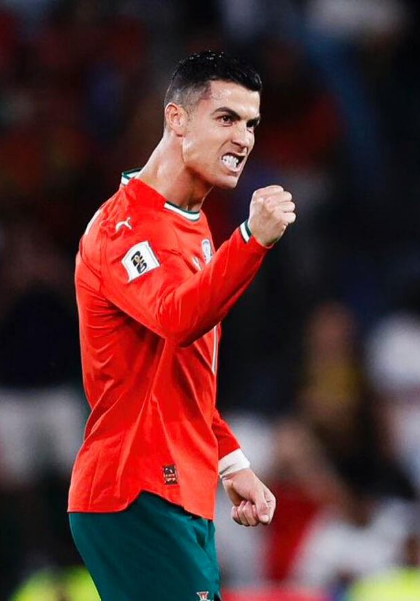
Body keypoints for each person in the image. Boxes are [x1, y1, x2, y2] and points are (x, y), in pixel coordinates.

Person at [68, 51, 295, 601]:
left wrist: (231, 462)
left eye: (251, 124)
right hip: (133, 490)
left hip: (178, 493)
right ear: (176, 119)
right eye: (226, 118)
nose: (243, 138)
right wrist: (253, 239)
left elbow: (180, 377)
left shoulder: (192, 227)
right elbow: (177, 318)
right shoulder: (123, 228)